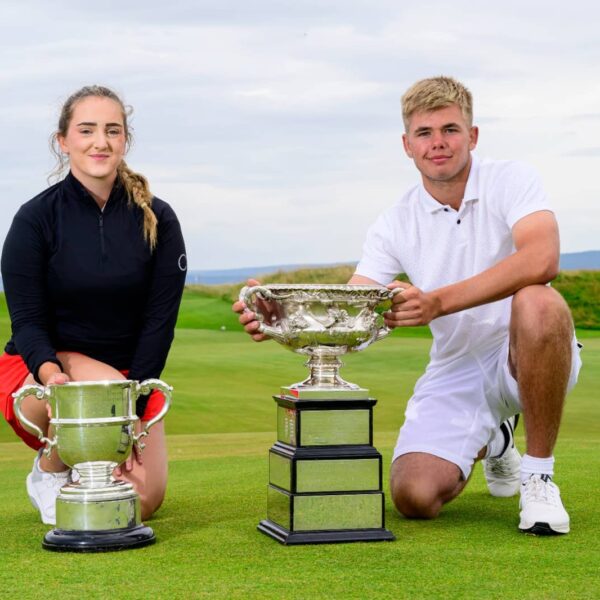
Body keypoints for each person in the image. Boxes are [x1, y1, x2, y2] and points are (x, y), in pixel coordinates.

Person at [234, 76, 582, 535]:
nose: (438, 143)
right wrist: (281, 318)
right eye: (424, 133)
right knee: (414, 496)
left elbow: (542, 257)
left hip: (528, 354)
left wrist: (438, 302)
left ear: (472, 135)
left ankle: (537, 475)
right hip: (456, 367)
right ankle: (495, 439)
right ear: (407, 144)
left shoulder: (511, 178)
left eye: (450, 130)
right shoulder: (394, 223)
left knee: (540, 300)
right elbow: (353, 305)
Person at [0, 85, 187, 525]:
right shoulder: (34, 219)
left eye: (112, 130)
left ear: (125, 140)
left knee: (142, 502)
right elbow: (26, 323)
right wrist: (52, 374)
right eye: (86, 130)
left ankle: (86, 464)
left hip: (127, 382)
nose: (100, 142)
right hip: (40, 378)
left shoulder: (160, 218)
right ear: (63, 141)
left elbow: (160, 324)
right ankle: (50, 471)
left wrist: (137, 411)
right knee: (96, 388)